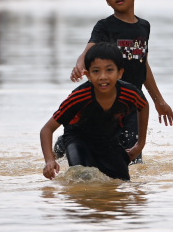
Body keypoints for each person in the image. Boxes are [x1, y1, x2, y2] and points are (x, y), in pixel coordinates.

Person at [69, 0, 173, 162]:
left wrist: (158, 100)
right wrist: (79, 65)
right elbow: (88, 52)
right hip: (107, 98)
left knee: (132, 157)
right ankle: (64, 146)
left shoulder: (144, 27)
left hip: (134, 102)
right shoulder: (105, 26)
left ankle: (129, 190)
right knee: (90, 140)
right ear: (107, 0)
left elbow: (143, 65)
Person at [42, 43, 147, 182]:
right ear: (88, 75)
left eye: (109, 70)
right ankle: (63, 144)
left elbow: (144, 106)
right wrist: (49, 160)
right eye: (96, 71)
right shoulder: (79, 97)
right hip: (78, 138)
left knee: (122, 182)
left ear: (120, 73)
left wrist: (140, 145)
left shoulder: (129, 93)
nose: (103, 76)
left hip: (108, 140)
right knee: (83, 176)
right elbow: (47, 129)